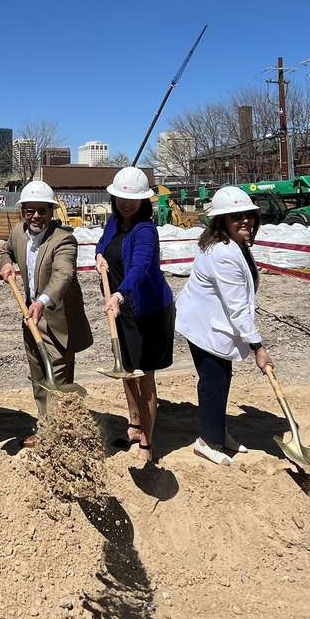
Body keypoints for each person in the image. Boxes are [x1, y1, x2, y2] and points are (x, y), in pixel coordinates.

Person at [175, 186, 272, 466]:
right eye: (236, 217)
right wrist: (257, 346)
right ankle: (206, 441)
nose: (245, 221)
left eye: (248, 215)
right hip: (203, 326)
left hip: (213, 322)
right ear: (221, 222)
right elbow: (237, 305)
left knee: (221, 378)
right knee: (213, 382)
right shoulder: (223, 253)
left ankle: (218, 430)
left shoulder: (234, 245)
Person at [0, 180, 91, 446]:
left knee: (58, 379)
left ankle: (58, 434)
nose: (36, 216)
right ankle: (46, 427)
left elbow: (64, 274)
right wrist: (6, 265)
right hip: (30, 318)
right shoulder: (18, 233)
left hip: (56, 320)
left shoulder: (64, 240)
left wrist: (42, 301)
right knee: (39, 375)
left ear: (51, 212)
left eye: (42, 210)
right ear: (23, 211)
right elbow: (3, 251)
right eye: (30, 210)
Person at [93, 167, 175, 461]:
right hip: (123, 309)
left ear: (144, 201)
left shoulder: (145, 231)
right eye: (121, 198)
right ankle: (134, 424)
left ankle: (148, 444)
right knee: (126, 371)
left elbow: (140, 268)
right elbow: (103, 245)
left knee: (144, 377)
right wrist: (99, 256)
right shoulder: (115, 221)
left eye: (133, 199)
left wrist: (118, 293)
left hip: (148, 311)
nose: (126, 204)